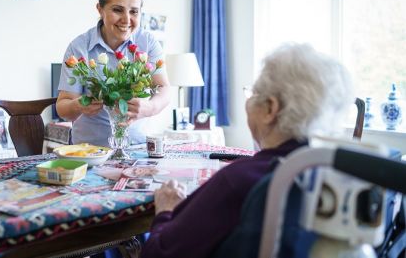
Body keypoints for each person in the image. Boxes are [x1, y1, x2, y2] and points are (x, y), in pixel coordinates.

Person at [140, 43, 354, 258]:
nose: (248, 101)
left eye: (253, 93)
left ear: (270, 109)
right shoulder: (332, 176)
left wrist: (166, 211)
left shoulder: (239, 180)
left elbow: (156, 255)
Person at [56, 0, 170, 147]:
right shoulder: (78, 47)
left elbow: (164, 88)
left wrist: (150, 108)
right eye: (117, 10)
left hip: (137, 148)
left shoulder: (148, 42)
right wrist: (79, 106)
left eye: (134, 11)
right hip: (89, 151)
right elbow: (63, 108)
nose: (126, 20)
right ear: (100, 10)